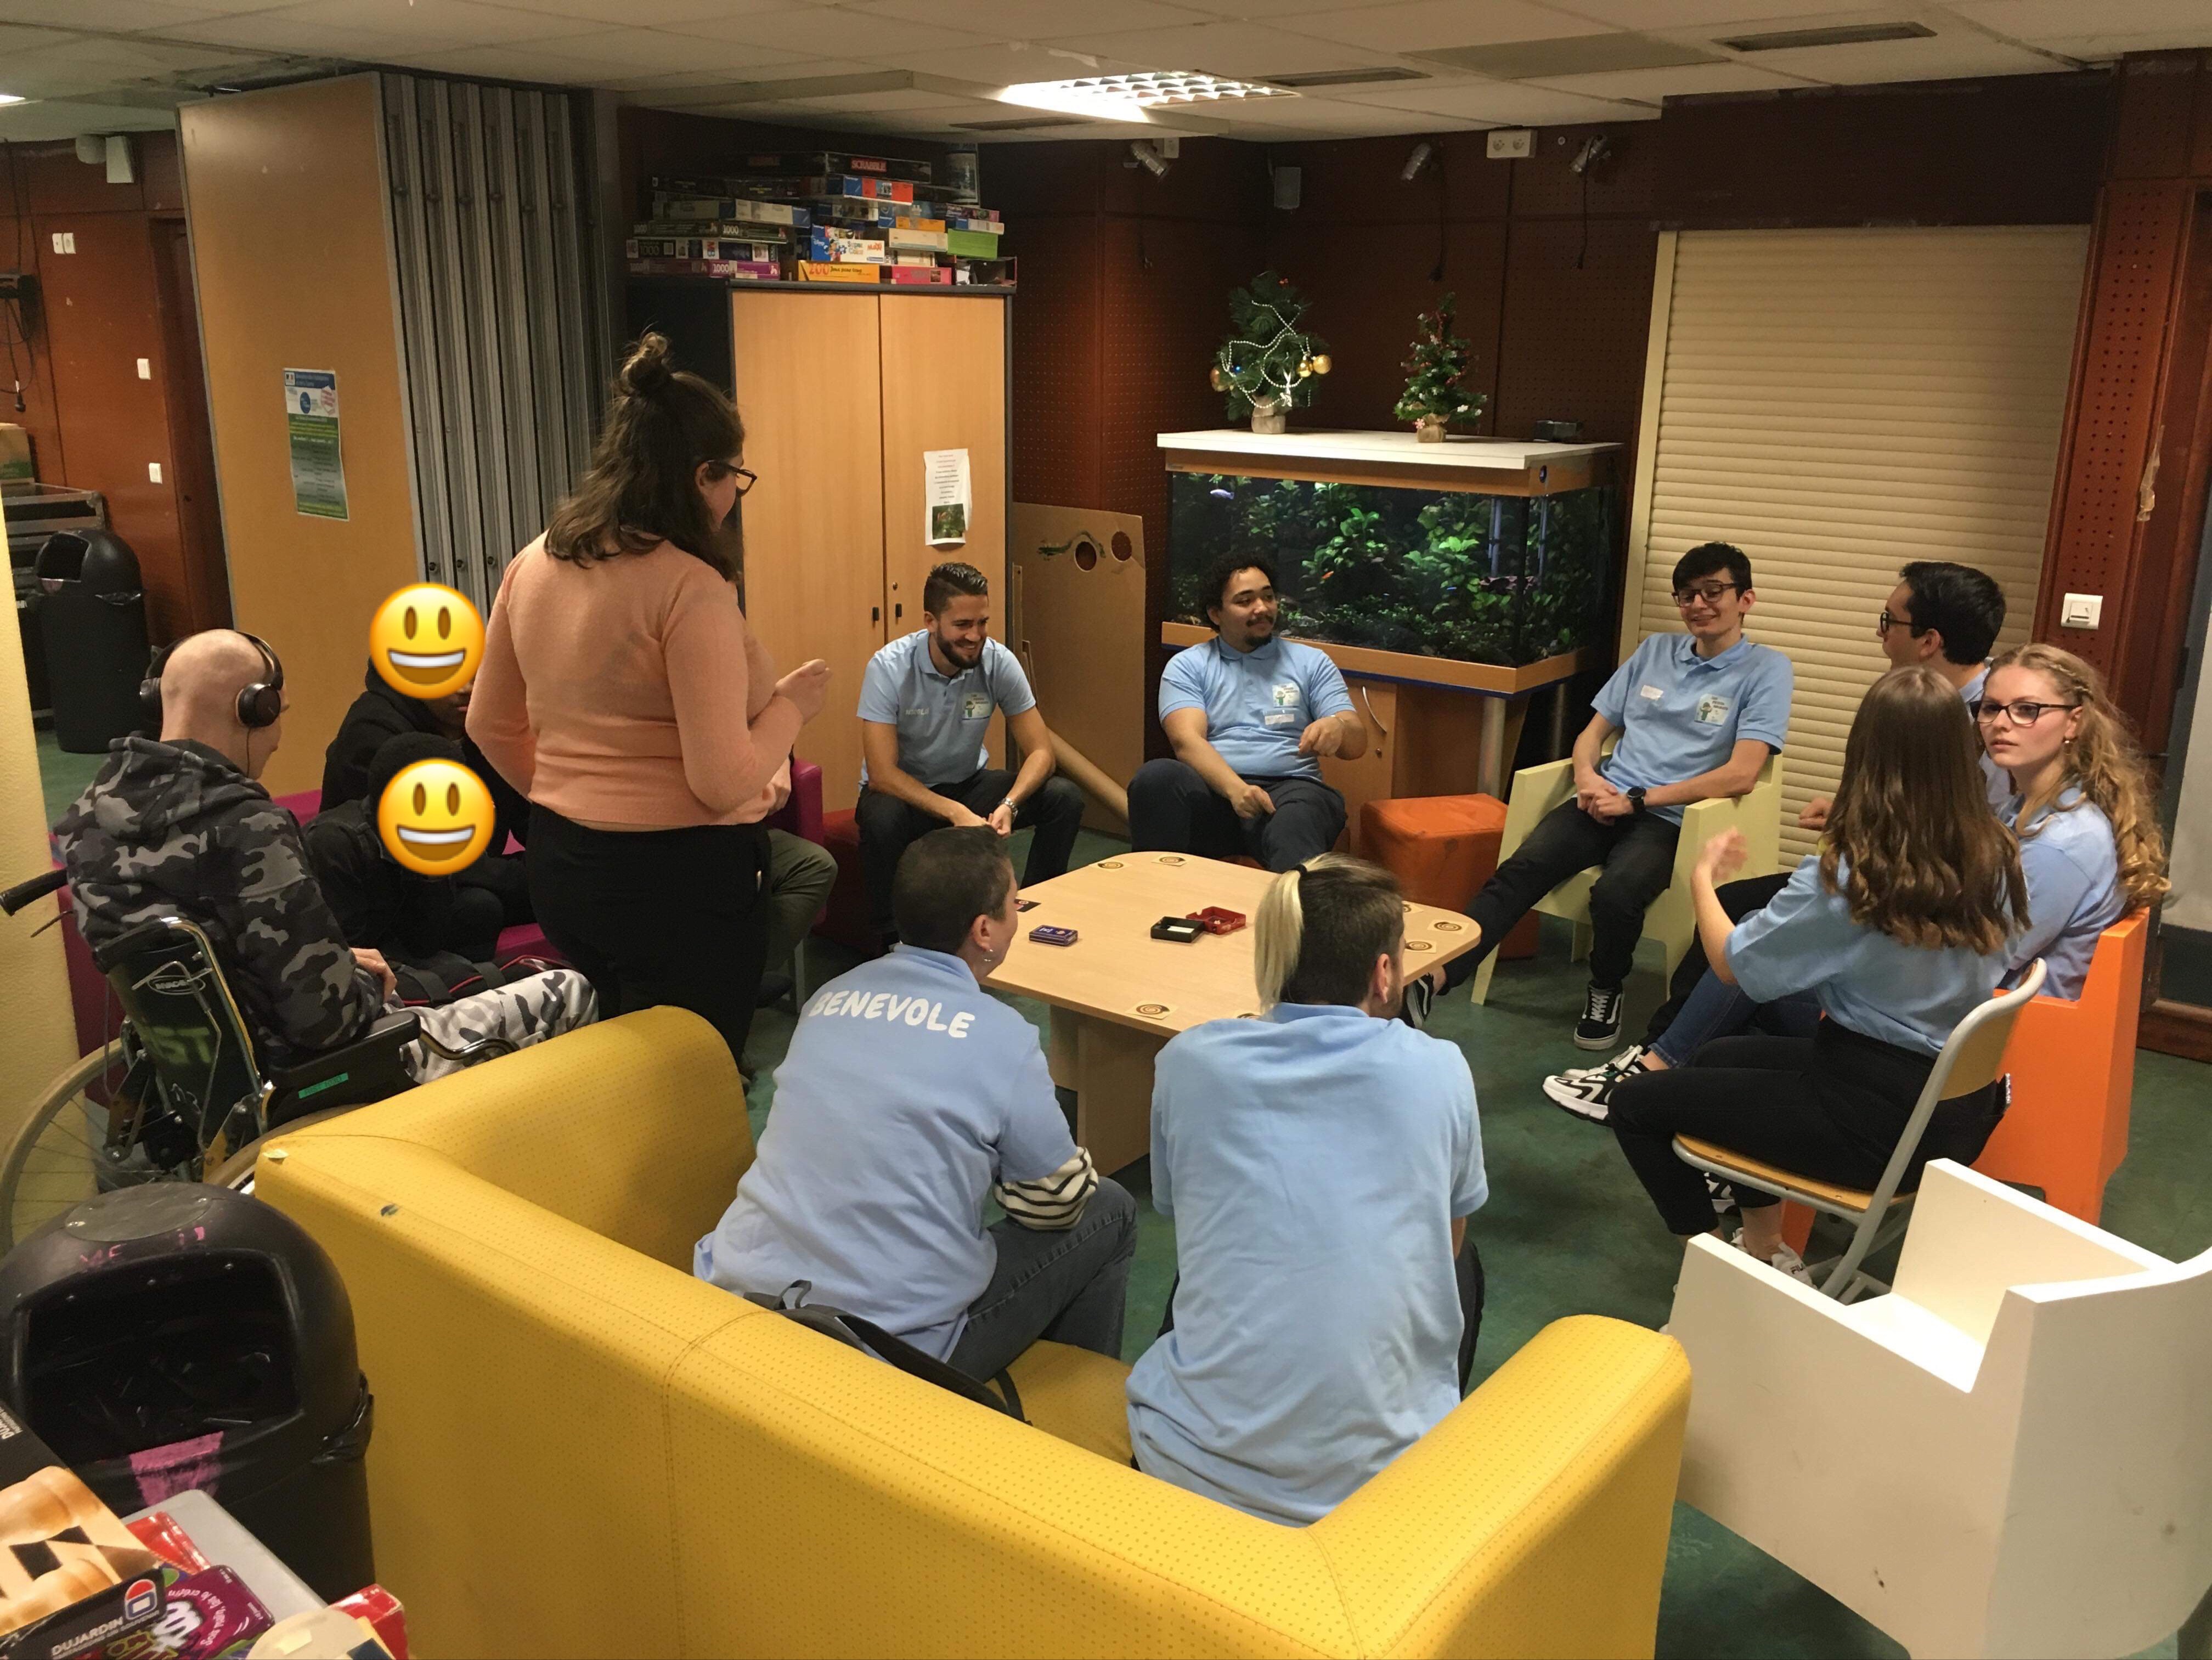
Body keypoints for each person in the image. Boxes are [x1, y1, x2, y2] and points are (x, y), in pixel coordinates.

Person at [467, 333, 830, 1067]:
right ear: (703, 475)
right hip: (677, 884)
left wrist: (575, 796)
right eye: (735, 478)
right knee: (695, 1079)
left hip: (564, 867)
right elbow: (722, 780)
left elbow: (488, 722)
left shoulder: (536, 561)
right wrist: (793, 704)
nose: (734, 498)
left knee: (622, 1068)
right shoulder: (688, 587)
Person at [1545, 560, 2013, 1117]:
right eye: (1686, 594)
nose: (1880, 631)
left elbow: (1737, 961)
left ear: (1929, 641)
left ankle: (1657, 1068)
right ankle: (1671, 1055)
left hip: (1891, 1022)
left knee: (1743, 937)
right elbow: (1940, 817)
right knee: (1742, 919)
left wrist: (1701, 873)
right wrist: (1853, 815)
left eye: (1889, 620)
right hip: (1931, 1021)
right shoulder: (1961, 737)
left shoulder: (1983, 730)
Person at [1604, 667, 2028, 1275]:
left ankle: (1719, 1275)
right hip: (1954, 1109)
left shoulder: (1853, 876)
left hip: (1873, 1124)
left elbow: (1732, 965)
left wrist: (1702, 878)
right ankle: (1767, 1251)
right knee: (1720, 1055)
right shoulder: (1997, 851)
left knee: (1634, 1105)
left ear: (1864, 757)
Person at [55, 630, 595, 1085]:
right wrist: (363, 980)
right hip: (317, 1069)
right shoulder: (249, 826)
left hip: (205, 1064)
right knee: (567, 989)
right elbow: (327, 1022)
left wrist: (337, 960)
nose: (277, 740)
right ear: (256, 707)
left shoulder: (87, 818)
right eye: (279, 715)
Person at [1126, 855, 1487, 1526]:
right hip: (1379, 1492)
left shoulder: (1187, 1060)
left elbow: (1184, 1213)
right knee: (1462, 1268)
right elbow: (1447, 1241)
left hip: (1185, 1464)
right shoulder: (1440, 1068)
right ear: (1385, 973)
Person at [696, 827, 1136, 1376]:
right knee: (1109, 1207)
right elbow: (1057, 1205)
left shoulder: (829, 997)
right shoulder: (1004, 1036)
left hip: (739, 1294)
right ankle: (1070, 1404)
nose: (1017, 915)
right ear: (984, 930)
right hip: (886, 1347)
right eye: (1014, 904)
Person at [1439, 541, 1792, 1050]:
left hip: (1672, 818)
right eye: (1687, 595)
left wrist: (1640, 799)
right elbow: (1592, 733)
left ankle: (1605, 988)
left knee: (1617, 893)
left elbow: (1742, 774)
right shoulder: (1655, 652)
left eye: (1713, 591)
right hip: (1604, 799)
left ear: (1746, 600)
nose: (1698, 604)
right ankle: (1440, 975)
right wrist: (1587, 776)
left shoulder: (1767, 670)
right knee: (1523, 867)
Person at [855, 561, 1083, 948]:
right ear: (931, 621)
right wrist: (955, 813)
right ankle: (893, 941)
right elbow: (881, 773)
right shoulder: (889, 667)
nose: (975, 636)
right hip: (905, 794)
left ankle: (1034, 907)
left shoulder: (998, 661)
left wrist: (1010, 803)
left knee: (1064, 797)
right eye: (962, 625)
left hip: (968, 783)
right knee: (881, 819)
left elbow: (1042, 752)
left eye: (982, 623)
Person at [1128, 553, 1365, 872]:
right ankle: (1153, 888)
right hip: (1216, 791)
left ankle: (1292, 903)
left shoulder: (1312, 662)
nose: (1262, 608)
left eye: (1268, 597)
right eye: (1245, 601)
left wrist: (1338, 726)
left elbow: (1356, 744)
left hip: (1291, 789)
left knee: (1295, 820)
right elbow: (1186, 741)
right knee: (1156, 778)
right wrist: (1236, 790)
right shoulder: (1189, 665)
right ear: (1216, 614)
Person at [1980, 642, 2167, 995]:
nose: (2000, 724)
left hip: (2012, 1018)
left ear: (2074, 722)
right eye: (1991, 708)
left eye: (2027, 710)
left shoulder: (2060, 842)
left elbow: (1981, 959)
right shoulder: (2026, 806)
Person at [320, 657, 533, 927]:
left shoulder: (492, 719)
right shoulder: (374, 734)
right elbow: (425, 855)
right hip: (393, 887)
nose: (466, 688)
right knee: (480, 908)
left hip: (466, 868)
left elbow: (532, 816)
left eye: (475, 672)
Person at [304, 731, 510, 986]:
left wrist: (431, 871)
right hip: (343, 961)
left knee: (481, 908)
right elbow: (347, 955)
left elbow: (424, 941)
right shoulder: (334, 843)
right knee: (462, 975)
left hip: (397, 935)